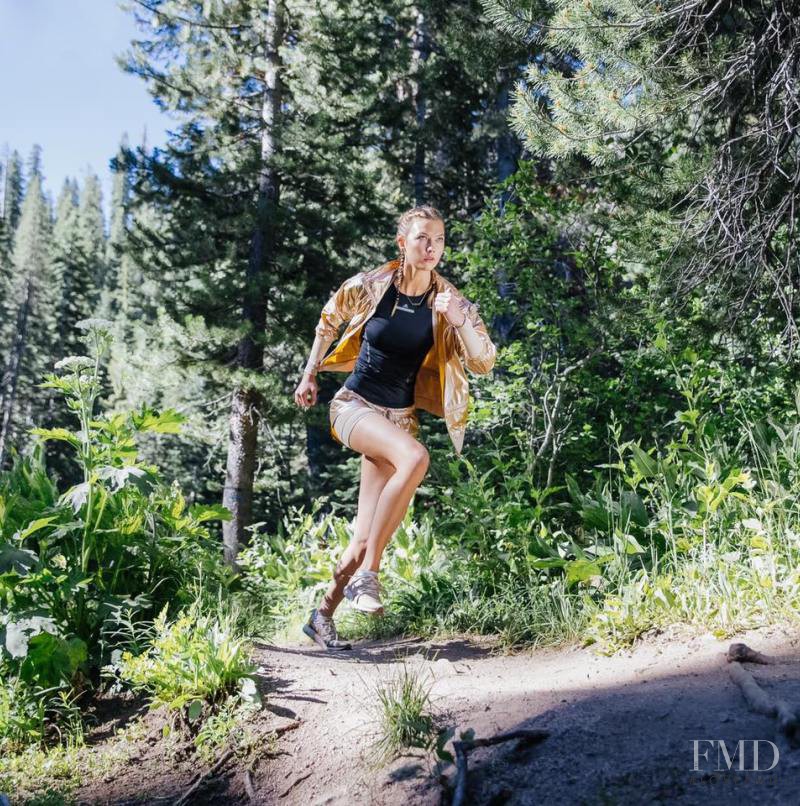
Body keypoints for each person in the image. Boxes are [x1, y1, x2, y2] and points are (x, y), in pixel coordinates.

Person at [293, 205, 496, 651]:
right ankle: (370, 575)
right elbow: (328, 319)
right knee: (416, 458)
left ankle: (321, 614)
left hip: (400, 418)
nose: (432, 248)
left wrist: (460, 319)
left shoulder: (448, 301)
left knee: (365, 535)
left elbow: (484, 361)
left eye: (440, 240)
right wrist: (310, 374)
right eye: (423, 238)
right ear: (402, 243)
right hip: (354, 406)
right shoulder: (372, 285)